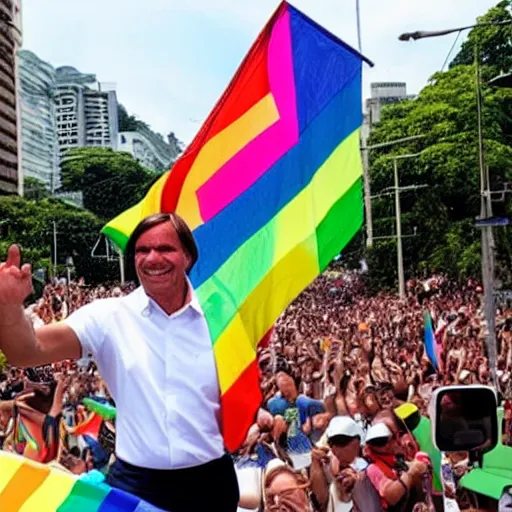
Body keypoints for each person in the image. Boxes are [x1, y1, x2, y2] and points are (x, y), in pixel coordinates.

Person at [0, 212, 239, 512]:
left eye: (165, 249)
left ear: (188, 256)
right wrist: (8, 308)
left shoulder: (222, 316)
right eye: (142, 250)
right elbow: (28, 351)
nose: (152, 258)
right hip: (136, 487)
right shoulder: (107, 317)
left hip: (210, 483)